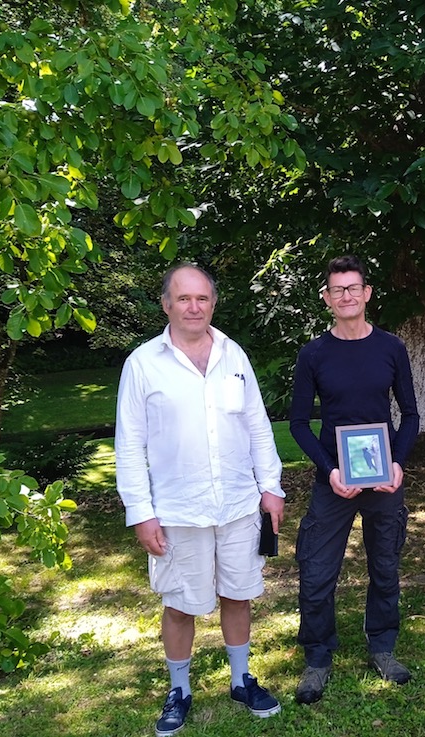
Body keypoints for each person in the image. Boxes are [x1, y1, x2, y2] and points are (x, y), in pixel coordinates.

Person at [115, 263, 286, 736]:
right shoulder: (143, 364)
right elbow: (129, 444)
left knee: (238, 594)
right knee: (180, 604)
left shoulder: (234, 355)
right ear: (167, 304)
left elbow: (257, 426)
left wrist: (271, 487)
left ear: (213, 303)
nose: (194, 307)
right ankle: (180, 689)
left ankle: (240, 678)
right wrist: (141, 512)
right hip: (177, 510)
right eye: (184, 299)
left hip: (237, 504)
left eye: (202, 299)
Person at [289, 254, 420, 704]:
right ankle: (317, 657)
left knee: (385, 566)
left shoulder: (391, 348)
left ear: (366, 293)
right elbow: (299, 424)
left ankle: (382, 647)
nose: (346, 296)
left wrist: (398, 462)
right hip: (335, 481)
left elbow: (411, 414)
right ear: (327, 298)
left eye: (353, 288)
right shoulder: (314, 354)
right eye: (336, 289)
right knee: (316, 571)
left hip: (384, 480)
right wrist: (330, 470)